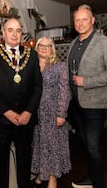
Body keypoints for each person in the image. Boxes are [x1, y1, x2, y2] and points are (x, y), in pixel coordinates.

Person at [67, 4, 107, 188]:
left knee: (93, 147)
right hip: (76, 104)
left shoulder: (104, 42)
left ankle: (99, 184)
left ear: (92, 21)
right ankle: (91, 177)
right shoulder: (74, 43)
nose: (80, 23)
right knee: (86, 144)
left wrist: (86, 81)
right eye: (77, 20)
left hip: (94, 105)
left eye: (84, 19)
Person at [0, 18, 43, 188]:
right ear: (3, 33)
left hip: (26, 119)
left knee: (24, 160)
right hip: (2, 119)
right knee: (0, 162)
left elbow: (38, 86)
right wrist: (6, 111)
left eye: (18, 30)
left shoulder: (31, 54)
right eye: (10, 30)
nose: (14, 34)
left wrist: (28, 111)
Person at [31, 36, 71, 188]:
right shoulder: (31, 66)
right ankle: (41, 175)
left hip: (53, 113)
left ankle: (52, 179)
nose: (44, 48)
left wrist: (61, 113)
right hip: (35, 113)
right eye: (41, 45)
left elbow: (64, 91)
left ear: (52, 49)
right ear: (37, 47)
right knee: (39, 144)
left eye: (48, 46)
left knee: (53, 146)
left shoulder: (59, 66)